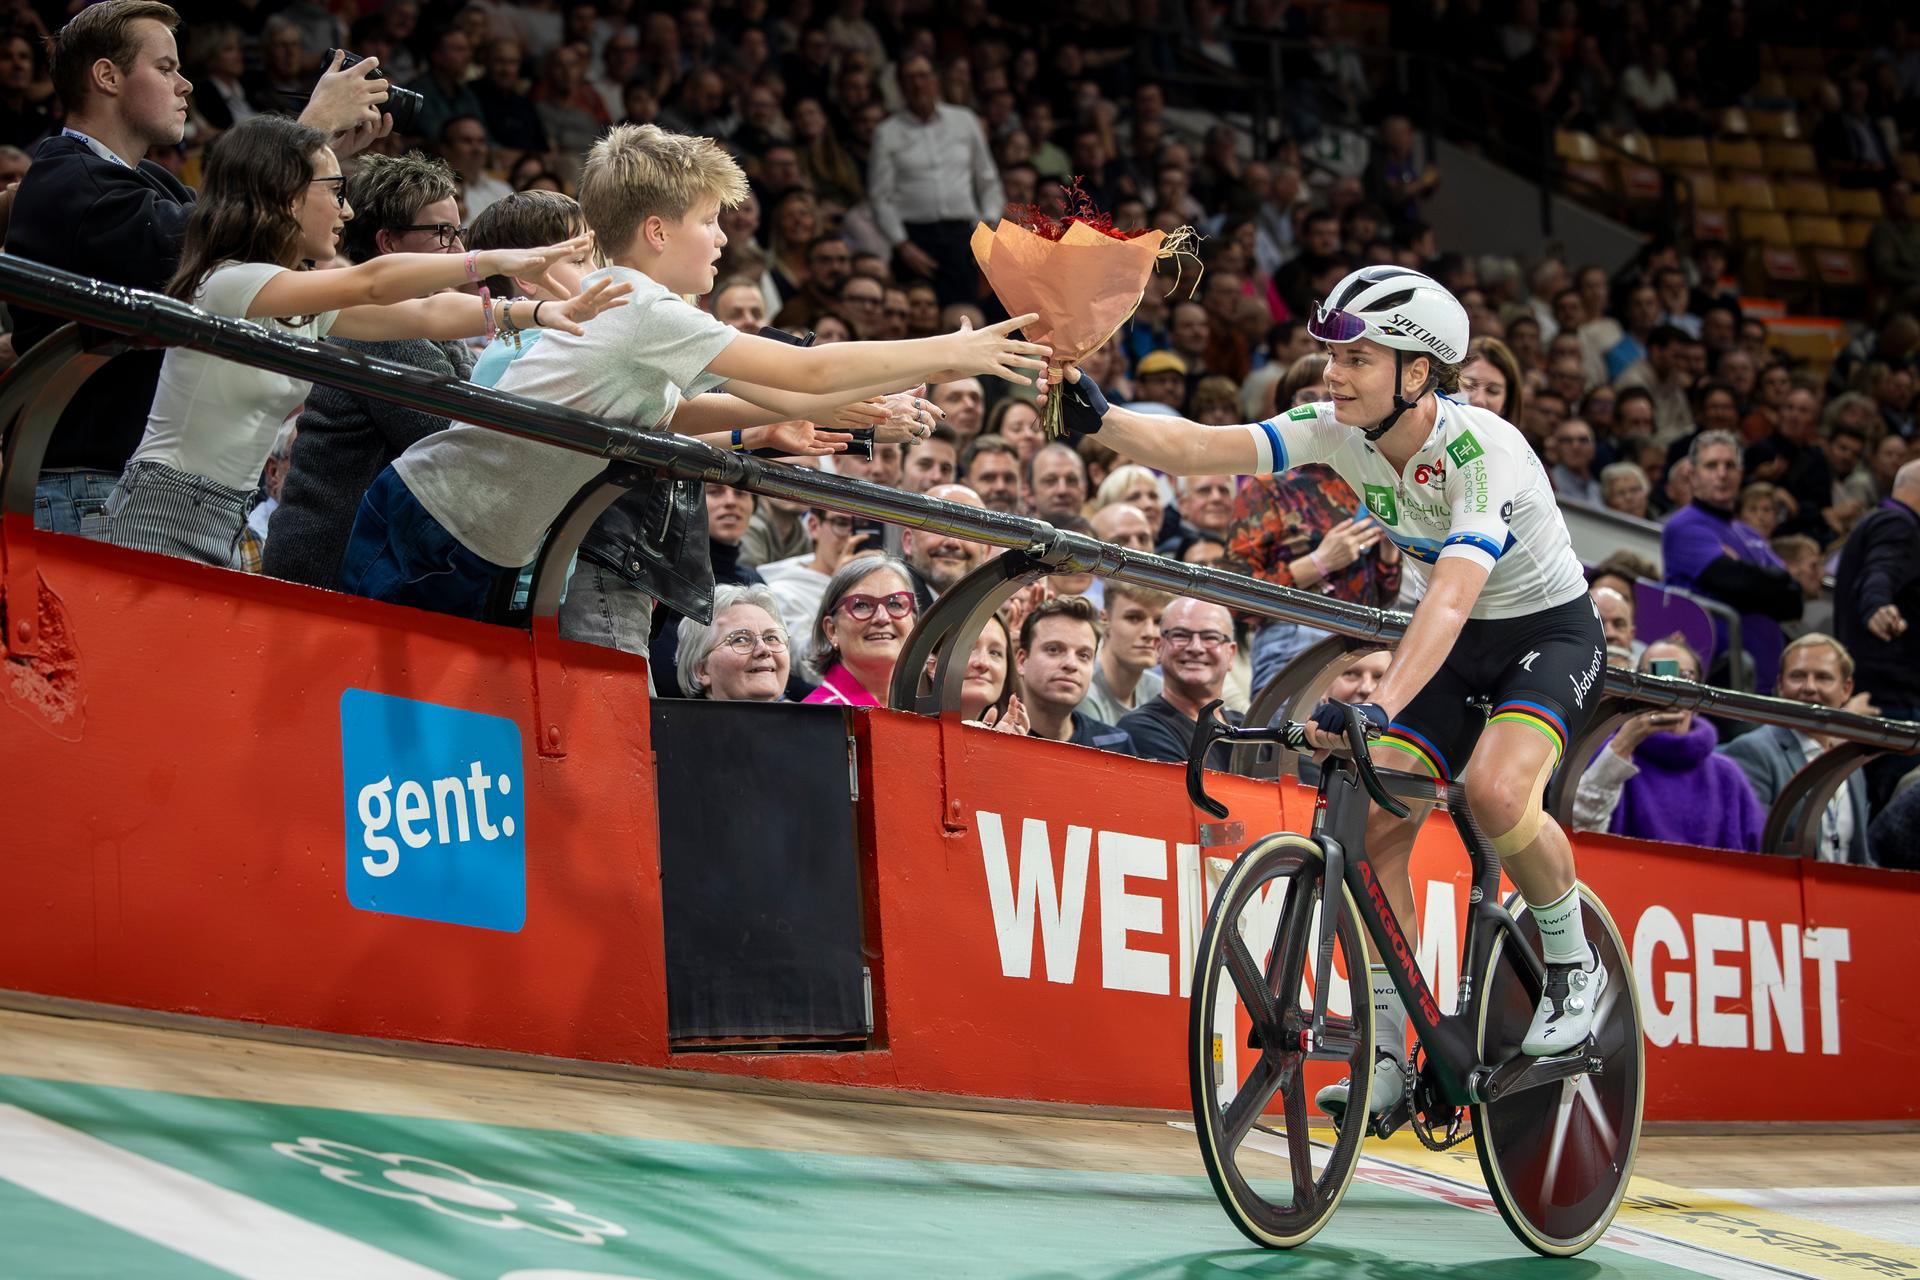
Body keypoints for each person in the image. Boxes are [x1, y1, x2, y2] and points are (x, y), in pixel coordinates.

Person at [1045, 264, 1614, 1125]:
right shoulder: (1337, 430)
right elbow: (1203, 447)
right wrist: (1102, 416)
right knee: (1379, 826)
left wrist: (1382, 701)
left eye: (1356, 358)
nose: (1331, 373)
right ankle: (1387, 1046)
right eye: (1329, 354)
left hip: (1546, 633)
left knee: (1499, 791)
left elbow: (1456, 596)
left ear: (1416, 373)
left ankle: (1577, 967)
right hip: (1452, 643)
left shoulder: (1482, 451)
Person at [341, 124, 1044, 628]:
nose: (722, 238)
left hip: (481, 542)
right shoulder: (642, 307)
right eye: (710, 221)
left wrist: (873, 403)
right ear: (656, 231)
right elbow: (807, 366)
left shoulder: (643, 309)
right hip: (429, 524)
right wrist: (954, 350)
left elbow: (785, 392)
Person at [106, 115, 624, 568]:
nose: (345, 211)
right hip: (167, 506)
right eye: (333, 190)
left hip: (222, 511)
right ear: (285, 195)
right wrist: (491, 260)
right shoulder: (231, 282)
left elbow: (423, 312)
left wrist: (533, 311)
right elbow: (371, 282)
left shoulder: (292, 299)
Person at [8, 1, 388, 536]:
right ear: (106, 76)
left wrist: (319, 169)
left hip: (144, 489)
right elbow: (215, 242)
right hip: (86, 489)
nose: (186, 85)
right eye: (165, 68)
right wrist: (306, 136)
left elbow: (250, 248)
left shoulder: (149, 182)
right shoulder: (68, 180)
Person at [263, 152, 491, 589]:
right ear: (387, 243)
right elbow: (456, 436)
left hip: (352, 571)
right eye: (443, 233)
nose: (459, 250)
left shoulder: (417, 321)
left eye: (458, 232)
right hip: (324, 577)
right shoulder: (378, 325)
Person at [1573, 640, 1766, 852]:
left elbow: (1756, 855)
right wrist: (1624, 742)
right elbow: (1577, 831)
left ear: (1700, 693)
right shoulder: (1608, 752)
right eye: (1656, 677)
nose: (1671, 690)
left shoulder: (1726, 774)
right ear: (1638, 689)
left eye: (1684, 677)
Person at [1661, 430, 1802, 691]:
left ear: (1741, 473)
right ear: (1692, 475)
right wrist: (1761, 578)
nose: (1722, 474)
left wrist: (1752, 577)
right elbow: (1732, 580)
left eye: (1730, 465)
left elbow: (1794, 600)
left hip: (1765, 676)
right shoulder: (1684, 525)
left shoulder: (1747, 532)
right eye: (1711, 465)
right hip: (1720, 677)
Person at [1718, 635, 1875, 865]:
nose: (1809, 688)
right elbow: (1750, 852)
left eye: (1823, 677)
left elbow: (1860, 858)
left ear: (1846, 689)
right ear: (1780, 685)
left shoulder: (1851, 763)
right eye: (1797, 676)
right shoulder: (1754, 752)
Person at [868, 54, 1004, 306]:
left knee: (965, 312)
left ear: (935, 80)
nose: (918, 84)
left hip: (963, 234)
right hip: (915, 238)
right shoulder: (886, 132)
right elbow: (880, 196)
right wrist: (902, 244)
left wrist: (987, 227)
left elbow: (987, 179)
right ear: (900, 85)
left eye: (923, 76)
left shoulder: (965, 121)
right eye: (909, 78)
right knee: (918, 318)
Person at [1833, 459, 1920, 810]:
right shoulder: (1897, 524)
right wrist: (1876, 607)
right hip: (1895, 700)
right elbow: (1879, 573)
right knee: (1901, 812)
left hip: (1885, 693)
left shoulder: (1879, 521)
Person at [1117, 597, 1243, 766]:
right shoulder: (1140, 729)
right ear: (1159, 648)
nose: (1196, 648)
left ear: (1231, 654)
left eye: (1210, 637)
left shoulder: (1247, 726)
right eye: (1181, 635)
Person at [1016, 594, 1136, 752]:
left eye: (1084, 655)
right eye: (1054, 649)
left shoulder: (1115, 745)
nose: (1071, 664)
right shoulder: (990, 733)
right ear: (1022, 661)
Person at [802, 554, 918, 707]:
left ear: (914, 623)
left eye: (895, 604)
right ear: (832, 630)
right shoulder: (818, 718)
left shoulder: (928, 712)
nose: (882, 618)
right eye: (861, 605)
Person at [677, 584, 792, 702]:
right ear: (702, 670)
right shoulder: (674, 721)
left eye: (771, 638)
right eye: (741, 640)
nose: (764, 649)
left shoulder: (809, 719)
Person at [1082, 582, 1169, 724]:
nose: (1150, 633)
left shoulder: (1158, 690)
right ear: (1105, 620)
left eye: (1159, 621)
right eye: (1134, 618)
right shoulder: (1082, 690)